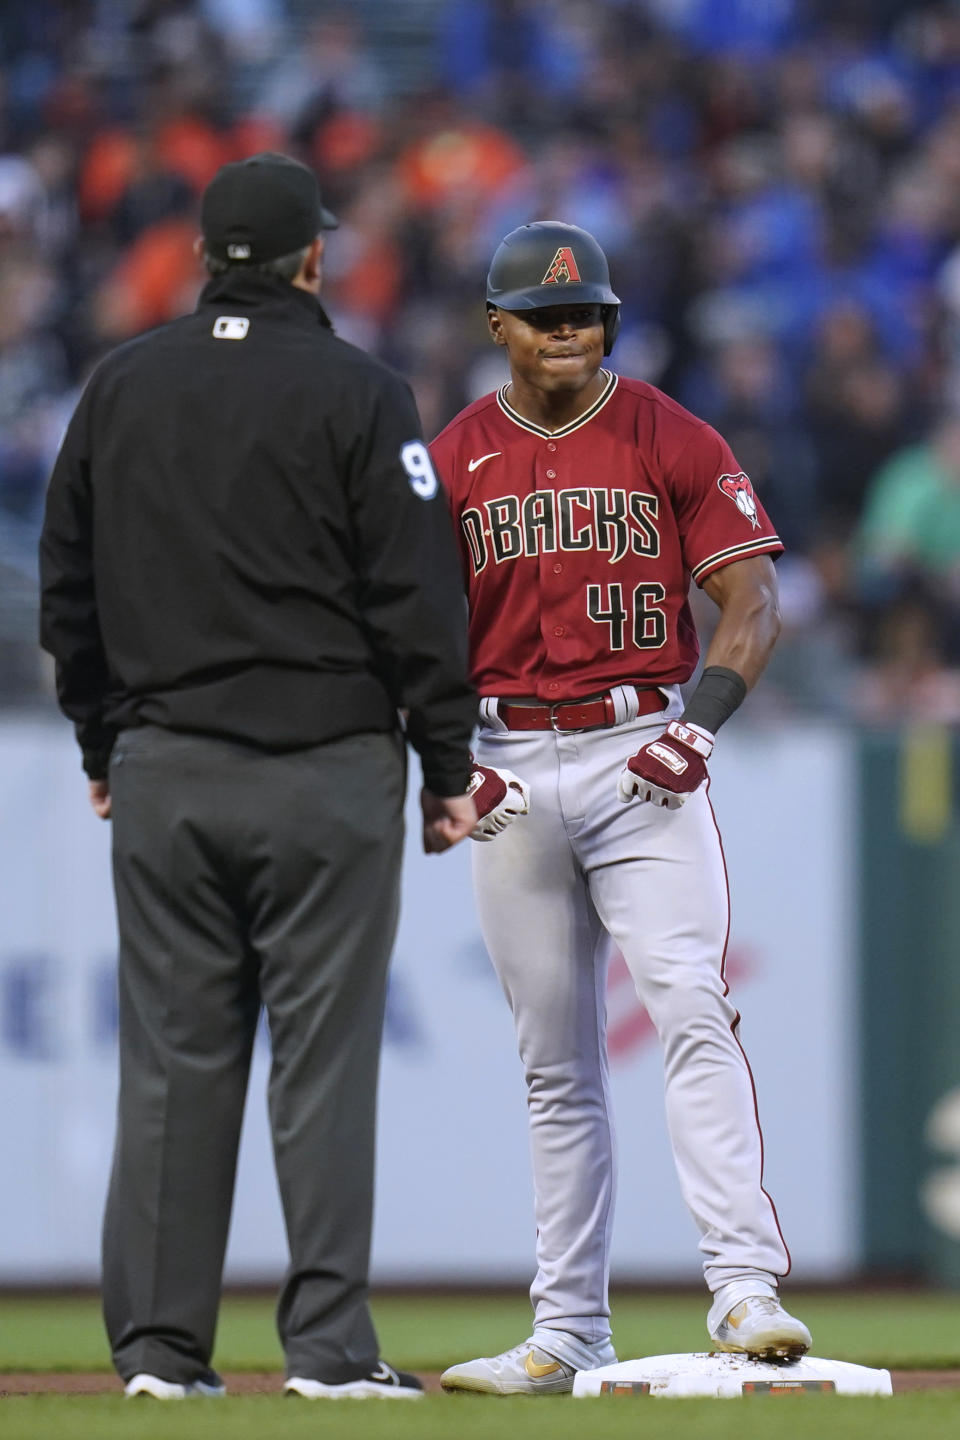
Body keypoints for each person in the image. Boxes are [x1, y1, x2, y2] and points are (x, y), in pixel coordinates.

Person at [39, 152, 481, 1401]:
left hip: (167, 770)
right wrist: (446, 762)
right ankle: (331, 1352)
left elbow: (65, 589)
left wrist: (101, 744)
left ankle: (161, 1358)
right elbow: (416, 596)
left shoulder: (119, 386)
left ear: (199, 257)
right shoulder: (360, 389)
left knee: (175, 1067)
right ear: (311, 258)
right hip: (326, 773)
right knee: (322, 1066)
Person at [430, 221, 812, 1395]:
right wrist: (446, 762)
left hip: (644, 746)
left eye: (587, 313)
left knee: (692, 1005)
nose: (570, 333)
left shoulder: (668, 432)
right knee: (555, 1064)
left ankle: (745, 1286)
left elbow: (751, 600)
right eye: (546, 317)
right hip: (505, 760)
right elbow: (400, 633)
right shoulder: (452, 458)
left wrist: (697, 726)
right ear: (497, 326)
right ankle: (567, 1329)